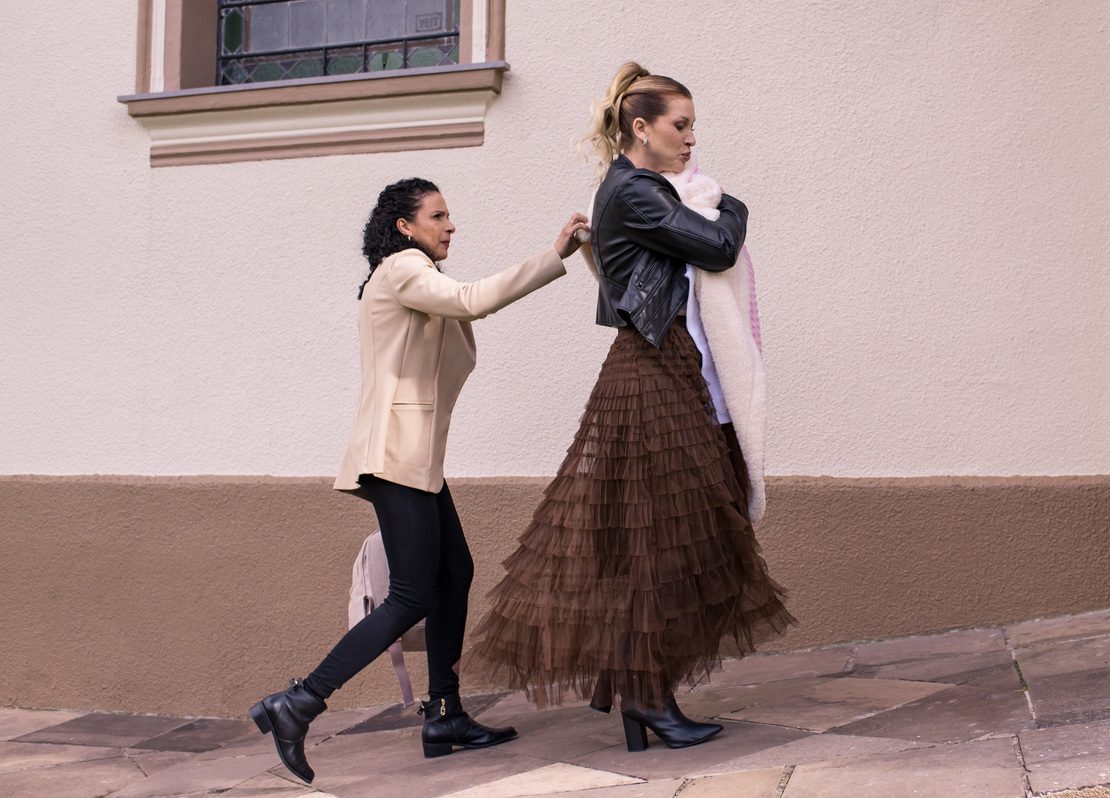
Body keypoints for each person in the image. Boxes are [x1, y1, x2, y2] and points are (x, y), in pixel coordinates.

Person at [470, 63, 796, 752]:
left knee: (684, 533)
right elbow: (717, 242)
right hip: (650, 375)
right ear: (640, 127)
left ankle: (646, 695)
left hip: (670, 370)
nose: (690, 139)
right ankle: (647, 698)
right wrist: (732, 204)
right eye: (680, 125)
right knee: (668, 541)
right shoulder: (636, 192)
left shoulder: (642, 188)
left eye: (692, 127)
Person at [250, 177, 589, 784]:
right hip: (394, 457)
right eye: (438, 216)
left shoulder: (413, 274)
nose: (450, 225)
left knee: (454, 573)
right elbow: (471, 300)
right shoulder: (403, 266)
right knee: (411, 595)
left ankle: (443, 712)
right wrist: (553, 255)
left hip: (415, 459)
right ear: (406, 226)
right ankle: (297, 702)